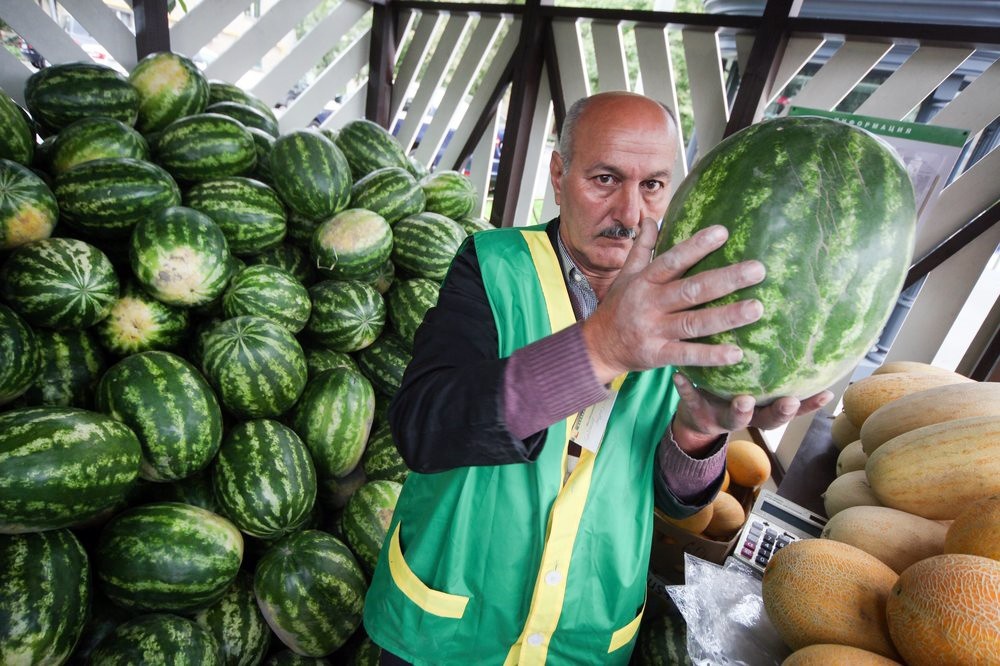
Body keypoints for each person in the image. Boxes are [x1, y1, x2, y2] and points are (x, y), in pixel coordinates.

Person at [363, 91, 832, 665]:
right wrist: (602, 347)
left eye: (653, 185)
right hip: (449, 629)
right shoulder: (492, 265)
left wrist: (697, 433)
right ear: (559, 175)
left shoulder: (689, 300)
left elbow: (675, 503)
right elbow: (425, 430)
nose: (631, 214)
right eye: (606, 179)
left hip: (583, 638)